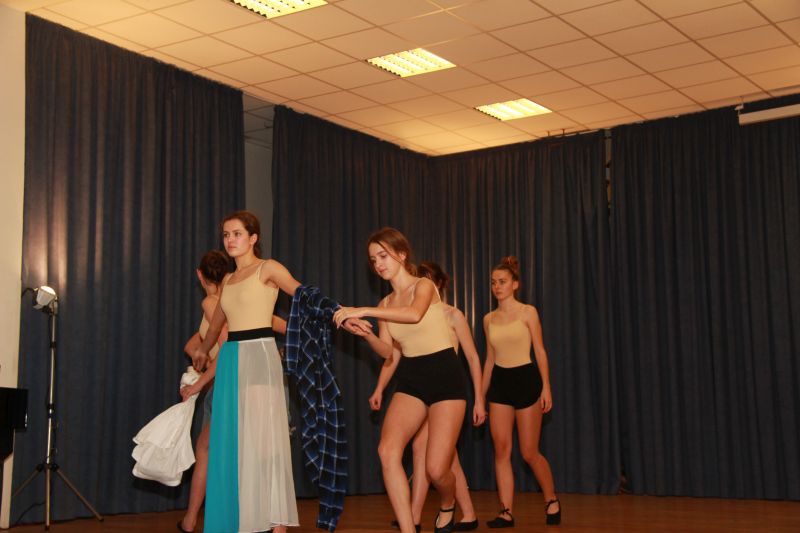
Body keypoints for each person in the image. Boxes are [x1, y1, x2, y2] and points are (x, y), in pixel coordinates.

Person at [334, 228, 470, 533]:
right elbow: (388, 352)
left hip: (445, 375)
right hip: (412, 376)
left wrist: (362, 309)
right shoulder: (384, 305)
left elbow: (414, 314)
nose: (378, 264)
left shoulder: (424, 286)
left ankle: (448, 501)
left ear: (401, 254)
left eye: (383, 256)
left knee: (437, 469)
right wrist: (366, 333)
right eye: (373, 260)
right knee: (387, 451)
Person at [180, 211, 300, 533]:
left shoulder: (267, 268)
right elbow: (215, 330)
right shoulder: (230, 282)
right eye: (226, 235)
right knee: (229, 446)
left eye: (237, 234)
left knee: (265, 444)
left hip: (258, 356)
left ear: (253, 238)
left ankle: (277, 526)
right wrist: (202, 353)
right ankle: (239, 520)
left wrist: (338, 313)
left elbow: (302, 294)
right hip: (232, 361)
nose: (230, 240)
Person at [367, 261, 485, 531]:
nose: (420, 285)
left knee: (438, 464)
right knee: (425, 454)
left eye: (426, 280)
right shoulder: (394, 309)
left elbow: (472, 357)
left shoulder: (451, 315)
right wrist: (380, 387)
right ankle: (419, 516)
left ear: (435, 285)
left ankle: (453, 508)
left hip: (446, 387)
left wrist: (479, 399)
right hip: (417, 385)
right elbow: (393, 354)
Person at [482, 256, 560, 528]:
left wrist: (546, 387)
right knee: (501, 451)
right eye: (493, 282)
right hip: (500, 385)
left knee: (529, 452)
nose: (497, 287)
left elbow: (540, 351)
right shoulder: (488, 319)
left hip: (526, 381)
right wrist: (480, 398)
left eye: (502, 282)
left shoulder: (528, 312)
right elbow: (489, 361)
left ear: (515, 284)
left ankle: (551, 499)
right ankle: (506, 512)